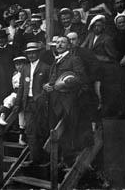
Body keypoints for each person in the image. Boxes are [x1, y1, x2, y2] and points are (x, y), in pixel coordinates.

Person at [43, 36, 86, 165]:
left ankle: (67, 161)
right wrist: (47, 86)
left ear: (69, 45)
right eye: (57, 42)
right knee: (54, 130)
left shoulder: (74, 60)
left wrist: (60, 85)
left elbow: (79, 78)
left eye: (63, 42)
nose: (59, 44)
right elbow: (52, 80)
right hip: (54, 101)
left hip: (67, 102)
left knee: (66, 130)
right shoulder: (55, 61)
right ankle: (56, 160)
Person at [13, 43, 51, 165]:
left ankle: (44, 158)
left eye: (34, 52)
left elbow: (49, 86)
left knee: (41, 130)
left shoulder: (46, 67)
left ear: (38, 53)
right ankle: (34, 159)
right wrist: (17, 104)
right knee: (30, 130)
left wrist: (41, 98)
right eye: (29, 53)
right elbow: (21, 87)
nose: (31, 55)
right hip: (28, 102)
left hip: (40, 104)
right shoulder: (25, 68)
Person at [84, 15, 121, 118]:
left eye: (99, 26)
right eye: (95, 26)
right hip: (91, 68)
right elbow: (83, 47)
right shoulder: (90, 35)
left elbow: (113, 56)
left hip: (103, 69)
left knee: (101, 91)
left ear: (103, 27)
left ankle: (103, 112)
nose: (97, 28)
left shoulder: (107, 39)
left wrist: (94, 57)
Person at [67, 32, 101, 143]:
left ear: (78, 40)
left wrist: (87, 80)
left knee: (87, 110)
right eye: (69, 40)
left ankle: (89, 136)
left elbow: (95, 67)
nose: (71, 42)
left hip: (85, 86)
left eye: (73, 39)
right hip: (70, 88)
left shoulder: (85, 52)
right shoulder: (65, 54)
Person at [0, 55, 28, 146]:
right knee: (9, 100)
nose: (19, 67)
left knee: (22, 120)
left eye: (21, 65)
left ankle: (21, 138)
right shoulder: (15, 76)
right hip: (16, 94)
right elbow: (14, 87)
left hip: (24, 96)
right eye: (17, 65)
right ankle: (2, 117)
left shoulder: (27, 73)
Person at [113, 13, 125, 117]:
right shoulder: (115, 36)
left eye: (124, 22)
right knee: (121, 88)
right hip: (119, 65)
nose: (122, 24)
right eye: (119, 23)